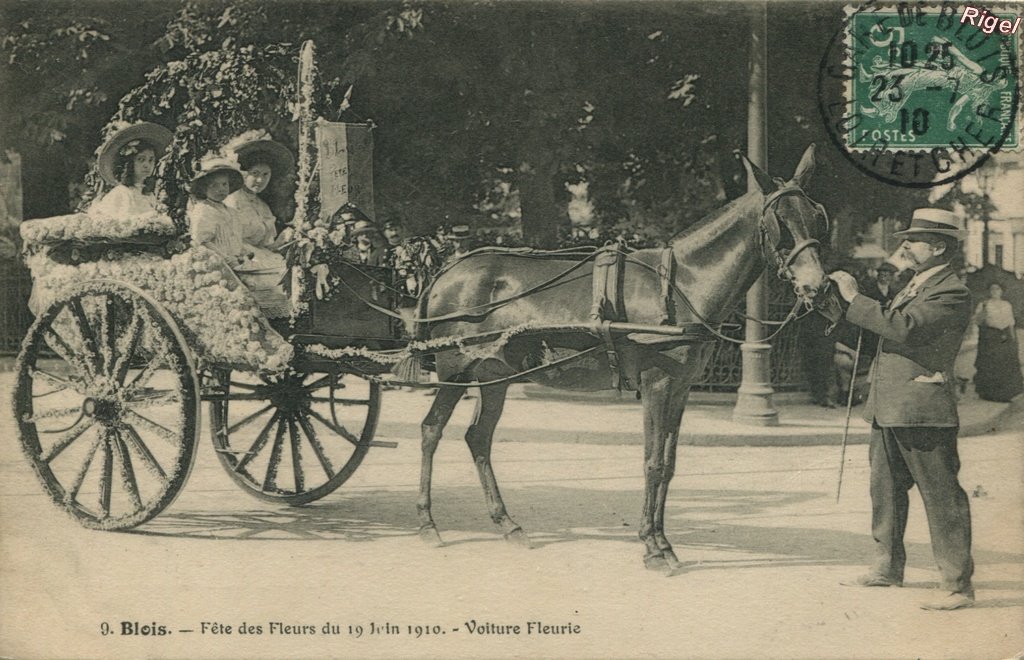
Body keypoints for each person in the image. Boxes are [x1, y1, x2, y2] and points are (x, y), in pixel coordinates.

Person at [829, 208, 976, 611]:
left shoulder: (951, 290)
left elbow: (905, 328)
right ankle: (887, 567)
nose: (905, 246)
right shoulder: (914, 284)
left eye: (913, 240)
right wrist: (848, 302)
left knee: (941, 495)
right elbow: (887, 323)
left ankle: (957, 585)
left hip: (922, 407)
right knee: (885, 491)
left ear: (939, 247)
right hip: (889, 405)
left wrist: (854, 299)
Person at [224, 132, 294, 249]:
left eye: (266, 174)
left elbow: (266, 247)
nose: (260, 180)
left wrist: (281, 240)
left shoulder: (263, 207)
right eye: (255, 173)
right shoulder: (232, 200)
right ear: (244, 174)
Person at [88, 122, 173, 218]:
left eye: (151, 160)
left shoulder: (148, 195)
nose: (147, 165)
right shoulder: (121, 193)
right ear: (129, 163)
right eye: (141, 159)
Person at [973, 282, 1023, 402]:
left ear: (1002, 291)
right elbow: (978, 321)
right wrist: (983, 312)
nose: (995, 291)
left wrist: (1014, 341)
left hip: (1005, 336)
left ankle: (1006, 393)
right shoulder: (984, 304)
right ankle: (990, 394)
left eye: (997, 289)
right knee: (991, 365)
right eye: (992, 289)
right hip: (990, 338)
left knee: (1005, 364)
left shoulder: (1007, 305)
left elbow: (1011, 323)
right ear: (989, 291)